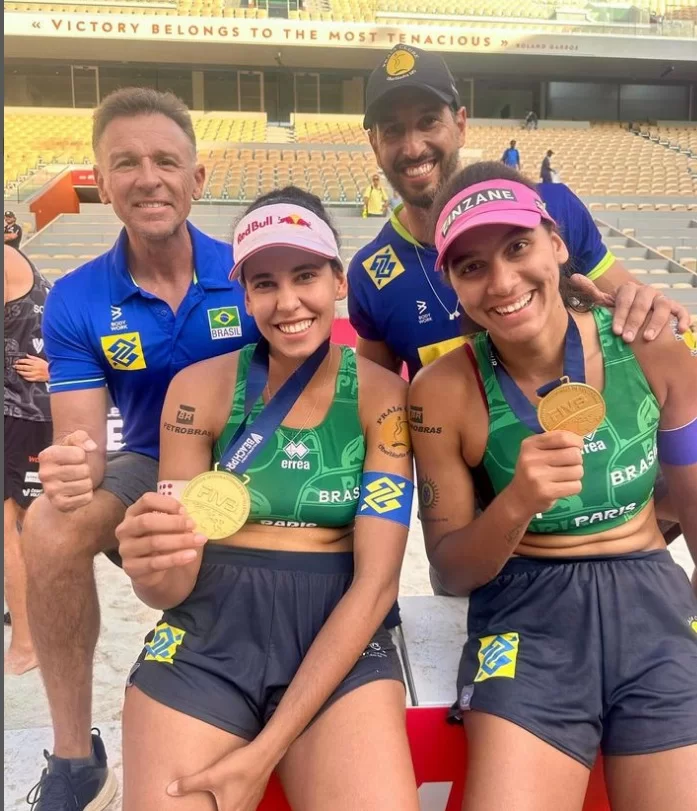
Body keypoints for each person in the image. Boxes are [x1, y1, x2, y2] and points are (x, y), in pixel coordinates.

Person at [115, 186, 419, 811]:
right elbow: (170, 587)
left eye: (305, 275)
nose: (287, 303)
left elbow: (377, 583)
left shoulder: (381, 396)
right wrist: (151, 569)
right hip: (208, 631)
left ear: (338, 281)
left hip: (341, 627)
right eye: (264, 283)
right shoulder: (198, 390)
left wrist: (265, 751)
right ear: (245, 294)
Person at [409, 163, 697, 811]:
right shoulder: (442, 391)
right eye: (472, 266)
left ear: (556, 244)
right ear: (453, 284)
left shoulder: (651, 344)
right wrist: (515, 503)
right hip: (524, 616)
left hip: (650, 599)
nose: (503, 281)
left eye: (517, 247)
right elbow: (451, 570)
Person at [349, 46, 686, 585]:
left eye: (429, 121)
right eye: (392, 130)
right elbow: (378, 407)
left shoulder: (552, 204)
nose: (413, 146)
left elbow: (631, 307)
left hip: (610, 484)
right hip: (486, 527)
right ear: (374, 143)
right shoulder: (371, 272)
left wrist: (649, 307)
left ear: (459, 123)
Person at [21, 87, 258, 811]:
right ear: (100, 178)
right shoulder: (78, 299)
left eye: (165, 160)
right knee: (48, 524)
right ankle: (75, 761)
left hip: (258, 460)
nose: (147, 177)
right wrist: (71, 466)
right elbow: (83, 441)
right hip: (154, 463)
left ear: (197, 179)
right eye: (125, 162)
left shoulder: (252, 271)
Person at [4, 245, 52, 676]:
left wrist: (54, 368)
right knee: (21, 524)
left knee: (14, 530)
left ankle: (25, 642)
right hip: (25, 413)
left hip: (20, 414)